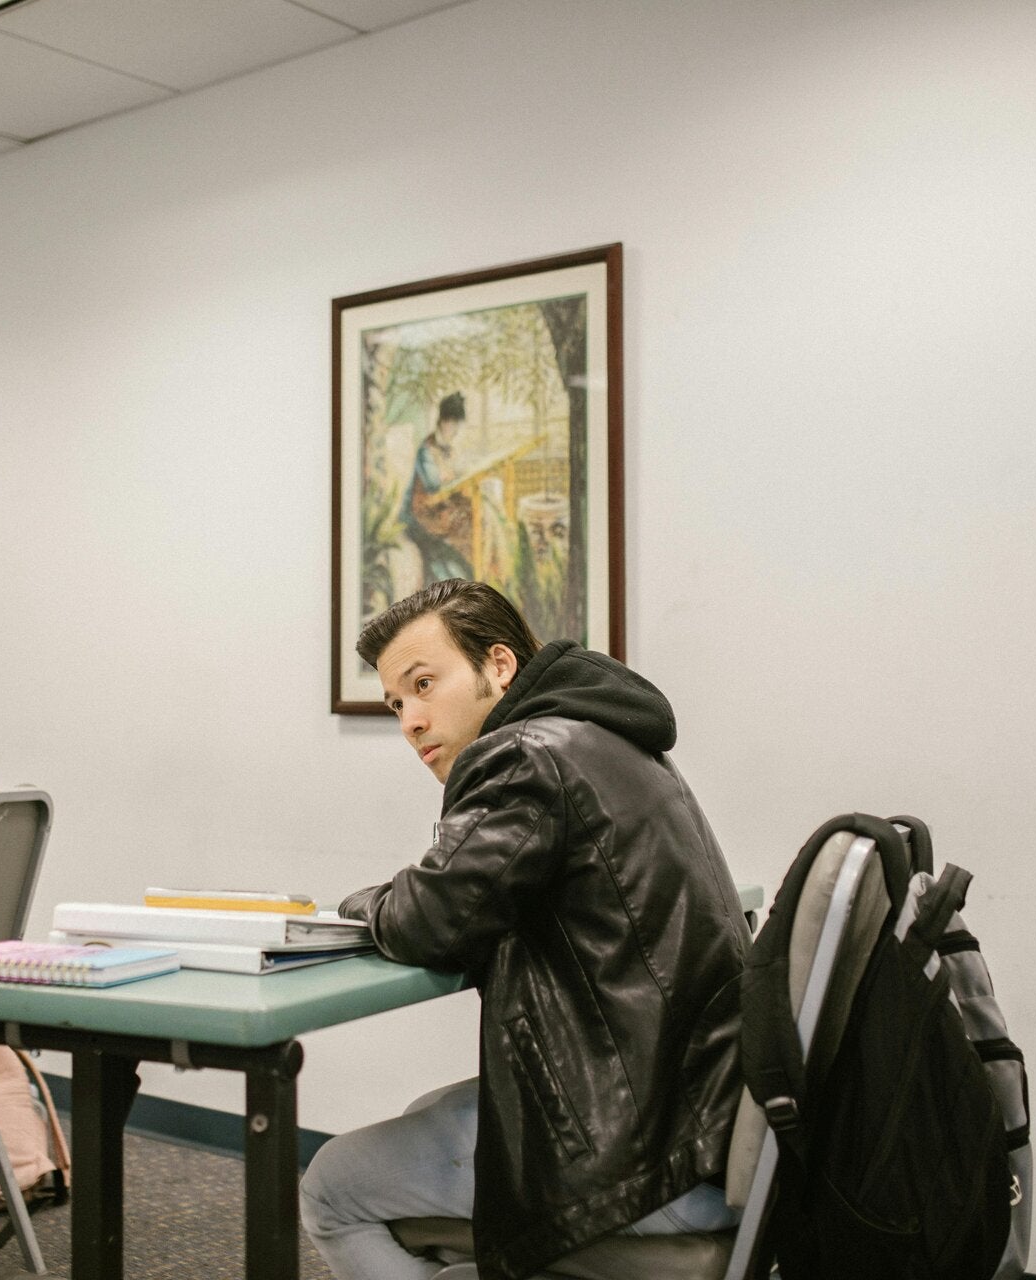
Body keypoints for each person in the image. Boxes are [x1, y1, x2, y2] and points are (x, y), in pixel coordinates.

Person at [302, 579, 750, 1280]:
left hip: (650, 1151)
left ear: (499, 665)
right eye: (396, 703)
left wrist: (363, 902)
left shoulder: (523, 756)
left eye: (425, 684)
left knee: (331, 1187)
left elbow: (427, 921)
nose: (410, 721)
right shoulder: (605, 734)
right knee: (426, 1111)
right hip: (709, 1117)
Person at [404, 392, 476, 581]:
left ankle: (473, 574)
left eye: (458, 425)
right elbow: (433, 485)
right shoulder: (426, 450)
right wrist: (450, 476)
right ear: (444, 422)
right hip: (421, 515)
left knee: (472, 517)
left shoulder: (448, 449)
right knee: (445, 561)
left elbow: (452, 476)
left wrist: (455, 475)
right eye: (454, 425)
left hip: (438, 508)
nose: (456, 431)